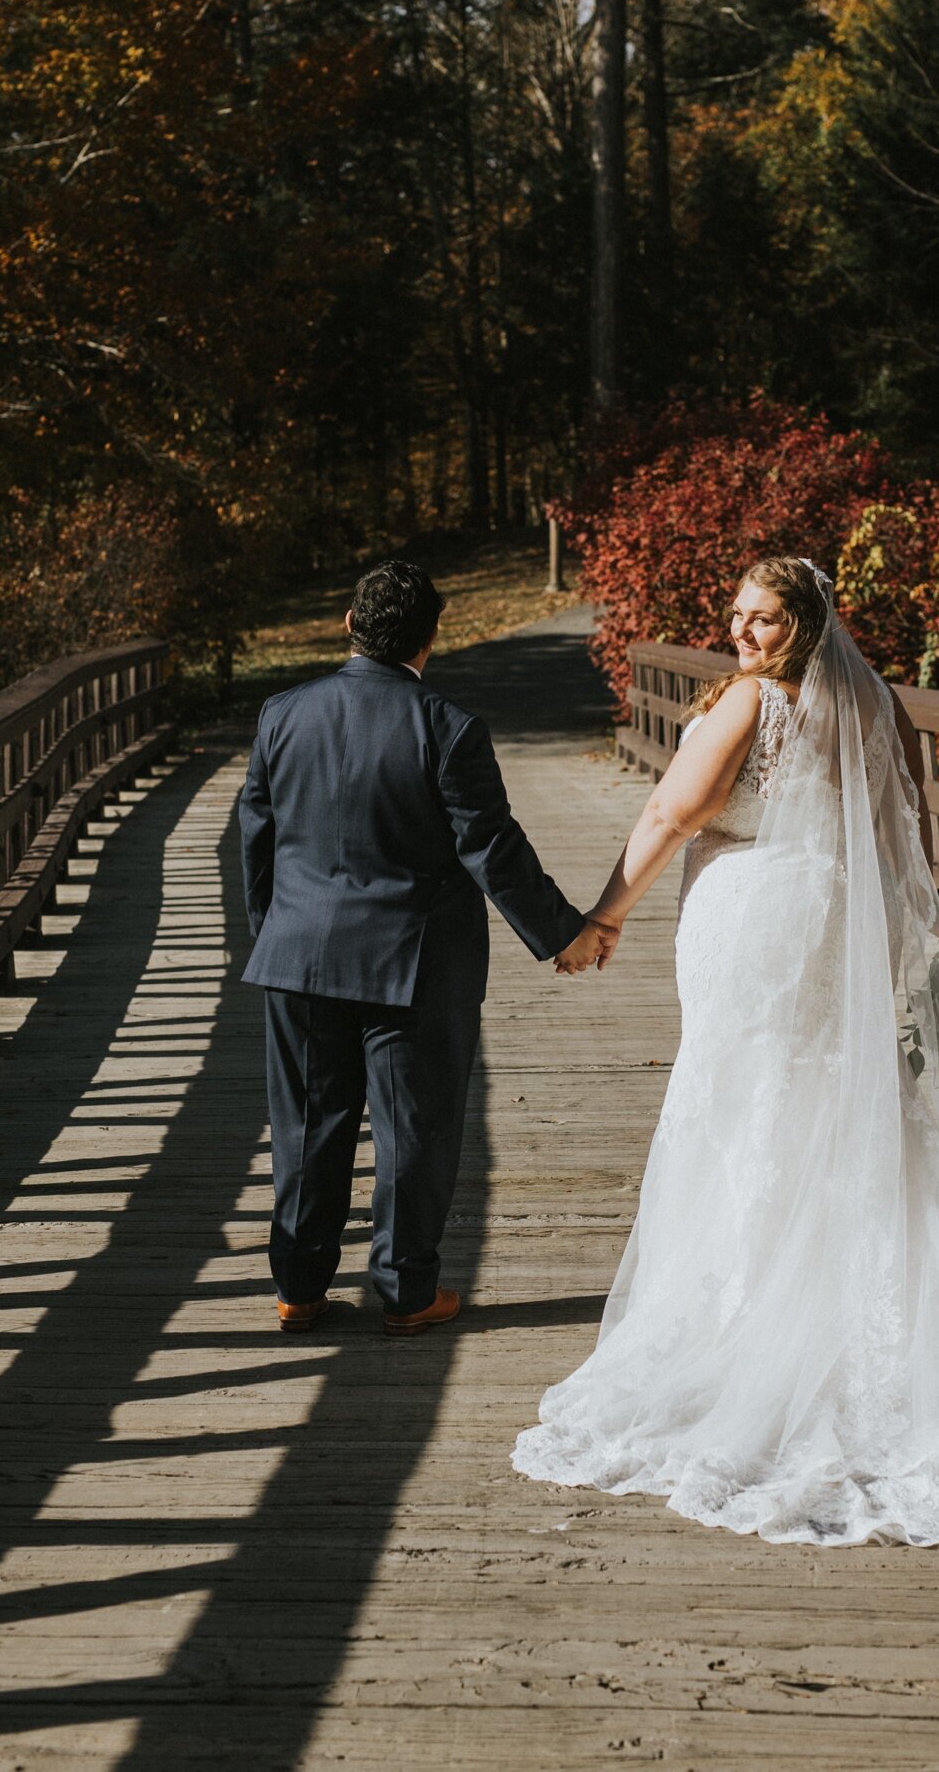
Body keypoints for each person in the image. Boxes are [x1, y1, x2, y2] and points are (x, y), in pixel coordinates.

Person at [514, 555, 939, 1545]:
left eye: (765, 619)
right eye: (735, 615)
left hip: (754, 912)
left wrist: (606, 915)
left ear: (807, 624)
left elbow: (670, 810)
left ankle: (750, 1324)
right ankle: (874, 1308)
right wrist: (900, 938)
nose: (743, 635)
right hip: (830, 915)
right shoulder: (877, 706)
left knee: (741, 1105)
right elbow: (909, 828)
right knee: (823, 1099)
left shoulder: (753, 704)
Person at [239, 559, 611, 1338]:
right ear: (432, 639)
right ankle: (406, 1293)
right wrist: (563, 932)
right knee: (413, 1127)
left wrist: (274, 932)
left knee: (308, 1123)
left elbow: (259, 837)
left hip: (299, 954)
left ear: (349, 625)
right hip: (409, 962)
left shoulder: (282, 714)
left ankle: (299, 1290)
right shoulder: (446, 726)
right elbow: (491, 848)